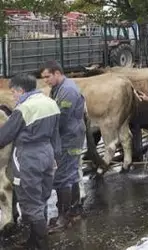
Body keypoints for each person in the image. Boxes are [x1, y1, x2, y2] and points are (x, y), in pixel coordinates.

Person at [0, 73, 61, 249]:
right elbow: (56, 135)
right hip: (47, 154)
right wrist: (56, 158)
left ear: (20, 90)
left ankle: (42, 245)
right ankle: (33, 241)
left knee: (30, 205)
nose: (13, 96)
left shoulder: (23, 109)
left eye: (13, 92)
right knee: (41, 199)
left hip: (28, 158)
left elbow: (3, 138)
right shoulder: (51, 103)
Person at [40, 61, 86, 234]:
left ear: (57, 73)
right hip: (70, 135)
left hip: (69, 137)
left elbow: (61, 118)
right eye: (43, 77)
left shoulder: (67, 91)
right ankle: (74, 210)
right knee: (71, 173)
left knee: (63, 175)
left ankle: (63, 217)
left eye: (47, 76)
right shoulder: (59, 88)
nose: (45, 80)